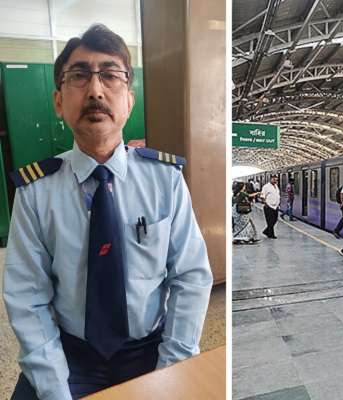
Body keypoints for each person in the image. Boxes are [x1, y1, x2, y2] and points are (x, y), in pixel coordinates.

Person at [3, 24, 213, 399]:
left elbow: (190, 278)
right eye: (79, 76)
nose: (96, 90)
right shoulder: (36, 193)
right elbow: (27, 296)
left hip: (150, 349)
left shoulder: (164, 181)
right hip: (69, 354)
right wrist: (56, 388)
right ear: (58, 101)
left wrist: (171, 374)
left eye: (110, 76)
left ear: (129, 100)